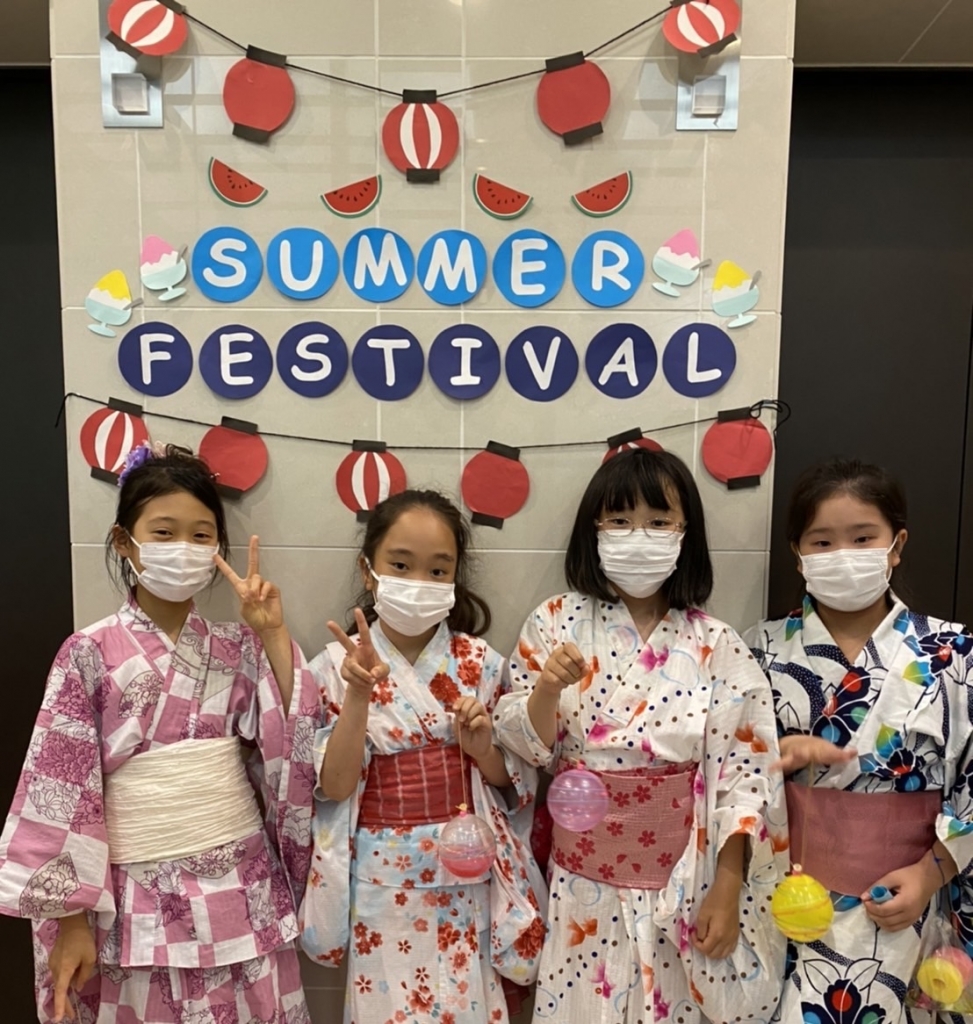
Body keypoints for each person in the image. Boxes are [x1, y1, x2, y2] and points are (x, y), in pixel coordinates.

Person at [0, 442, 314, 1024]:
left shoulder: (239, 646)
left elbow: (295, 740)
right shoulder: (88, 653)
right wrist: (71, 921)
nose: (184, 548)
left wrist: (272, 634)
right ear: (125, 541)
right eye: (164, 533)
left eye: (201, 535)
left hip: (240, 891)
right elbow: (60, 789)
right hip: (132, 900)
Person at [494, 447, 788, 1024]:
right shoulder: (554, 621)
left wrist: (728, 885)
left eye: (658, 522)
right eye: (620, 520)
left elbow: (747, 776)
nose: (639, 537)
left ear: (685, 534)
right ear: (594, 531)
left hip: (685, 878)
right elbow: (526, 749)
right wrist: (547, 689)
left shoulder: (716, 643)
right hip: (581, 880)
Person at [301, 490, 546, 1024]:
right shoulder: (333, 668)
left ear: (455, 579)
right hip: (380, 880)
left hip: (466, 869)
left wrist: (482, 750)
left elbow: (513, 786)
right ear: (368, 571)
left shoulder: (481, 663)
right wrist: (358, 696)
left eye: (438, 570)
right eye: (400, 565)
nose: (419, 581)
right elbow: (334, 788)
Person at [744, 457, 973, 1024]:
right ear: (798, 553)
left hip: (909, 902)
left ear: (896, 546)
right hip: (788, 902)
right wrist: (770, 759)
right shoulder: (758, 651)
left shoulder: (954, 654)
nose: (842, 554)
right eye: (822, 541)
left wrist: (931, 873)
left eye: (863, 537)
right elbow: (721, 771)